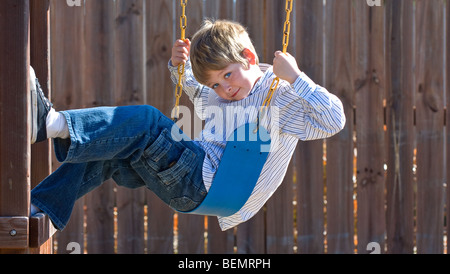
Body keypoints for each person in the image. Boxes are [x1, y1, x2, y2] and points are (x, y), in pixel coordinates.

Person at [30, 19, 346, 231]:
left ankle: (50, 123)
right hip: (189, 185)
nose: (225, 89)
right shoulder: (220, 93)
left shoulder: (280, 96)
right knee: (109, 148)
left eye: (227, 75)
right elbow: (196, 88)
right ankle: (40, 207)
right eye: (217, 85)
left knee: (146, 120)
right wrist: (178, 67)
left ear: (248, 57)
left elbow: (333, 121)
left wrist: (296, 77)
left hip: (207, 184)